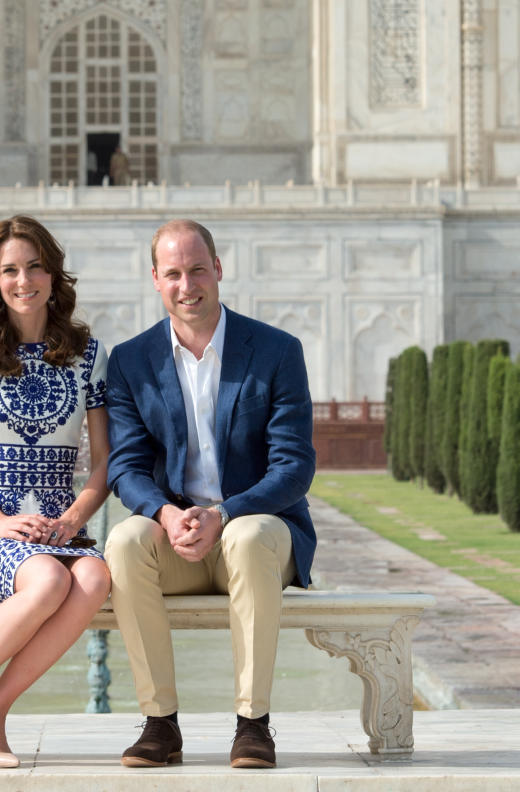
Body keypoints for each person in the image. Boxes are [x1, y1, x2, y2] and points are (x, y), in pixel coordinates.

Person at [104, 219, 316, 769]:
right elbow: (125, 469)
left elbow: (294, 468)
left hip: (258, 534)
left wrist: (224, 514)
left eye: (197, 269)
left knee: (245, 535)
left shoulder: (274, 351)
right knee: (125, 541)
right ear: (155, 279)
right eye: (173, 273)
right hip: (180, 540)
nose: (187, 284)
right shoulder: (131, 361)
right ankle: (160, 723)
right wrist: (167, 515)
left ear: (218, 269)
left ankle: (252, 725)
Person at [0, 215, 112, 769]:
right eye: (9, 269)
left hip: (59, 528)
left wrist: (77, 519)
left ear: (54, 276)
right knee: (49, 577)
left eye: (34, 266)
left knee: (96, 575)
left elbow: (105, 462)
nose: (23, 280)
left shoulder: (87, 355)